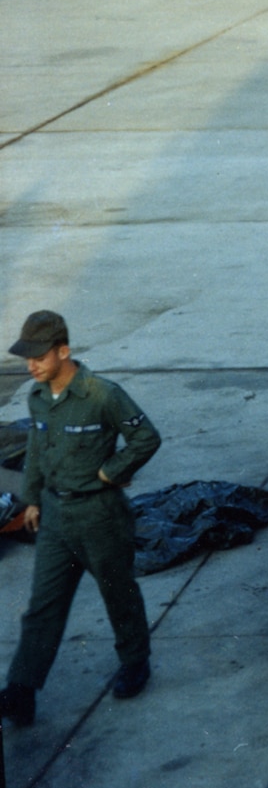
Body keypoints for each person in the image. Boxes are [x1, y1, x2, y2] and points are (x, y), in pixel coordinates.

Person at [0, 311, 162, 725]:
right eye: (26, 358)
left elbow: (146, 438)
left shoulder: (101, 394)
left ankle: (135, 663)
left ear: (63, 351)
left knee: (117, 593)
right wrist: (32, 499)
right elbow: (36, 450)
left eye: (38, 357)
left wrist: (112, 472)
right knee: (42, 605)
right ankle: (21, 689)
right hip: (54, 516)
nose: (30, 365)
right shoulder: (37, 397)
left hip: (99, 515)